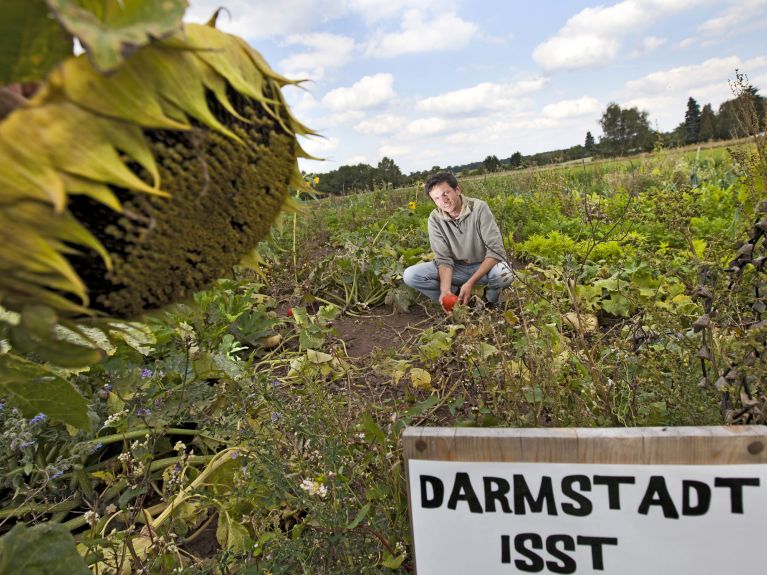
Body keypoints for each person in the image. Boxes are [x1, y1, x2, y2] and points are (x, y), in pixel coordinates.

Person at [403, 171, 513, 312]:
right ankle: (456, 301)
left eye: (445, 193)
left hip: (484, 267)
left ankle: (490, 302)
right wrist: (445, 289)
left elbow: (496, 251)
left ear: (457, 190)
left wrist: (470, 282)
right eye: (436, 198)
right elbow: (444, 259)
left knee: (505, 273)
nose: (443, 200)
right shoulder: (435, 219)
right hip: (457, 269)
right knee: (411, 275)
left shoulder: (479, 208)